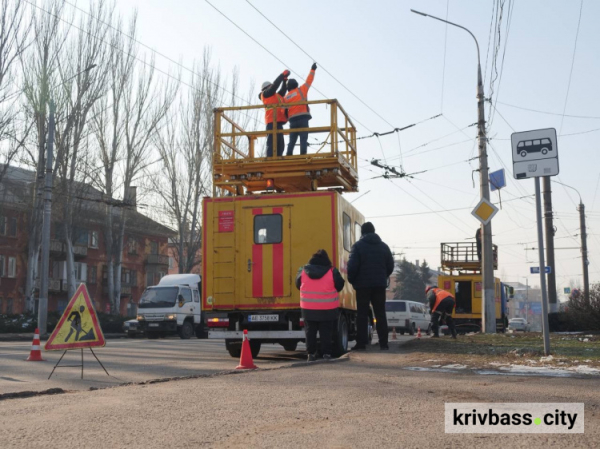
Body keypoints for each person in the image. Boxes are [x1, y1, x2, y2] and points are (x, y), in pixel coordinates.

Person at [347, 222, 394, 350]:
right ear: (374, 231)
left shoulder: (357, 246)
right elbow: (390, 266)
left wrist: (352, 280)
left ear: (362, 232)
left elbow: (352, 266)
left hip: (362, 286)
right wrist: (383, 276)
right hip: (379, 285)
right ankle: (383, 343)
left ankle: (361, 343)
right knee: (380, 314)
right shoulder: (384, 247)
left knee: (362, 314)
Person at [295, 249, 345, 361]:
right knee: (326, 332)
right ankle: (326, 354)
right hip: (328, 308)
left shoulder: (303, 271)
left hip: (308, 308)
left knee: (310, 332)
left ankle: (311, 354)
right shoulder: (332, 271)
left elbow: (298, 284)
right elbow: (340, 285)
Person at [284, 63, 317, 156]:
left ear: (288, 88)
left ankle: (288, 155)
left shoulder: (286, 97)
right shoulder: (301, 90)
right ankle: (303, 155)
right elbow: (309, 81)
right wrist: (312, 69)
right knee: (303, 139)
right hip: (303, 118)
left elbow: (283, 110)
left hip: (293, 120)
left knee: (292, 140)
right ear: (296, 84)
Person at [260, 69, 290, 157]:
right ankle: (270, 159)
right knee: (271, 143)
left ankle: (279, 158)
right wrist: (282, 75)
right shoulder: (265, 94)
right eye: (270, 86)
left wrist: (284, 81)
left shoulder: (276, 95)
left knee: (280, 144)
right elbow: (275, 86)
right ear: (266, 88)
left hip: (278, 122)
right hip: (271, 122)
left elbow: (283, 91)